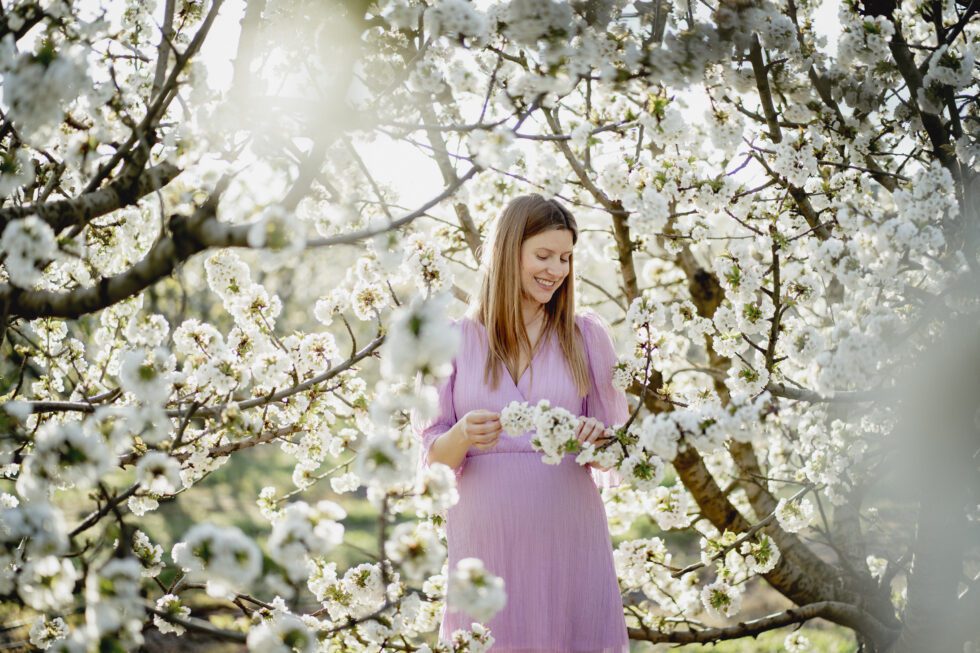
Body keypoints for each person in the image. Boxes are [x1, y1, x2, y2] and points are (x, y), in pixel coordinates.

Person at [412, 193, 631, 652]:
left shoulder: (586, 336)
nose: (556, 269)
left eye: (566, 257)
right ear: (508, 252)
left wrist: (598, 440)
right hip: (485, 538)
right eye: (544, 255)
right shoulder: (450, 341)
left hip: (569, 532)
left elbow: (616, 451)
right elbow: (432, 462)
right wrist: (462, 434)